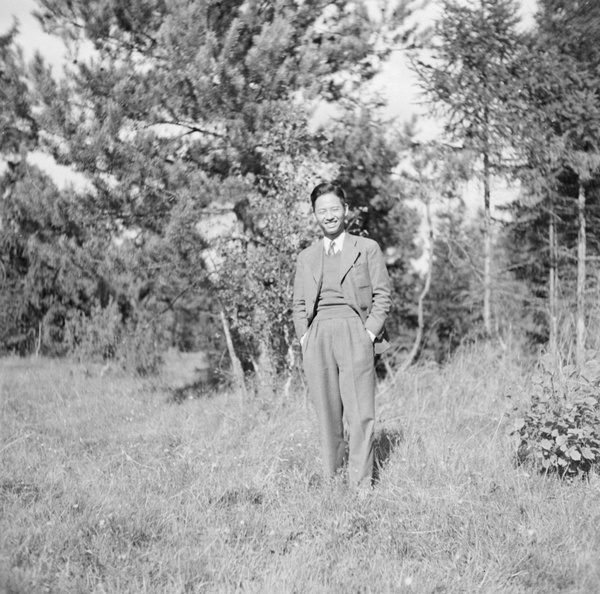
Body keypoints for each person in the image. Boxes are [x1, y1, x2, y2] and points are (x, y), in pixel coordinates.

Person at [292, 182, 392, 490]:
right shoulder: (306, 257)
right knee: (328, 416)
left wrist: (368, 334)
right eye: (322, 211)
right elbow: (298, 304)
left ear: (345, 210)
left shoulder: (367, 248)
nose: (329, 216)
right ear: (314, 215)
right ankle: (334, 483)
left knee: (361, 415)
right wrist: (305, 338)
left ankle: (361, 485)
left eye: (335, 208)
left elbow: (382, 296)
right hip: (318, 335)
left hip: (354, 332)